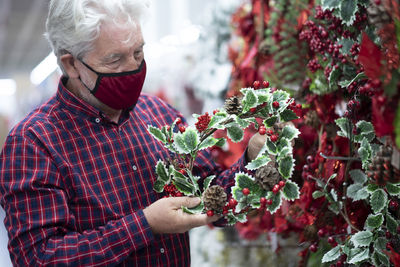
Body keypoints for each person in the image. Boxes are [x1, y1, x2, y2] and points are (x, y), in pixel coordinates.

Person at [0, 0, 265, 266]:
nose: (133, 68)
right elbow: (39, 257)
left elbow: (208, 194)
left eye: (138, 53)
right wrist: (144, 225)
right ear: (71, 65)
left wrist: (253, 161)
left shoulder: (158, 114)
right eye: (115, 60)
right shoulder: (33, 143)